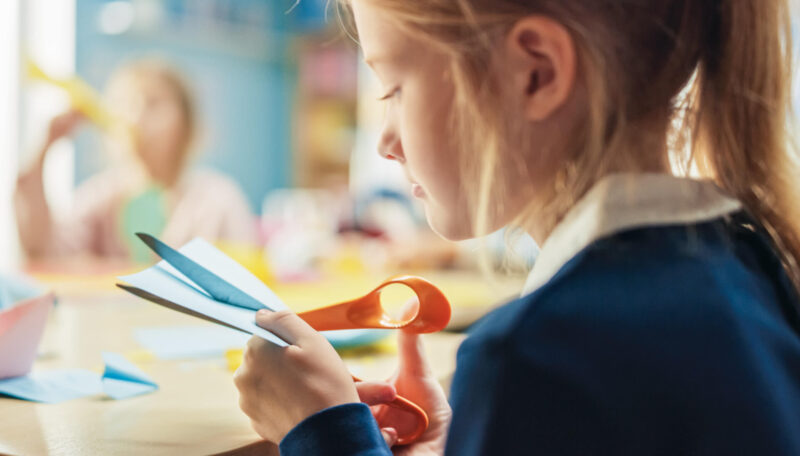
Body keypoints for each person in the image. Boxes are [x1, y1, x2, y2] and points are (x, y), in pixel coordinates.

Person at [234, 0, 800, 454]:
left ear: (536, 72)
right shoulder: (759, 265)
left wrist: (326, 434)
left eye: (394, 90)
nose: (384, 140)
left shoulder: (534, 357)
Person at [15, 59, 256, 263]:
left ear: (186, 123)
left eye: (153, 103)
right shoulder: (100, 196)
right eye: (127, 104)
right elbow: (42, 252)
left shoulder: (217, 199)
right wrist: (45, 147)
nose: (137, 116)